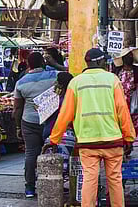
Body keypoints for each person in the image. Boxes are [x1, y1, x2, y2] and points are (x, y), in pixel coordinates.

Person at [47, 48, 136, 207]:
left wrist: (54, 140)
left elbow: (65, 114)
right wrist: (129, 137)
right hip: (112, 140)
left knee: (89, 179)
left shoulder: (76, 82)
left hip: (87, 142)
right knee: (115, 179)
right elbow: (122, 109)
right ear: (100, 62)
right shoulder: (112, 79)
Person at [12, 52, 58, 198]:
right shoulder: (55, 76)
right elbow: (69, 76)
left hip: (29, 121)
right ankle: (52, 185)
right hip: (51, 121)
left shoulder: (21, 82)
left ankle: (30, 188)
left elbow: (17, 108)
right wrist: (55, 64)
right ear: (43, 63)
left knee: (31, 154)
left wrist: (18, 127)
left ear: (28, 65)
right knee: (53, 152)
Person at [113, 48, 138, 132]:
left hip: (133, 102)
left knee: (133, 123)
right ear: (123, 58)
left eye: (131, 56)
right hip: (120, 102)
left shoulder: (136, 70)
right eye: (127, 56)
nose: (129, 58)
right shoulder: (117, 70)